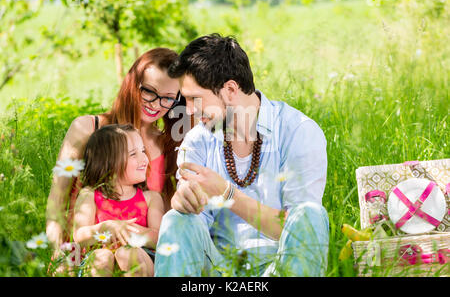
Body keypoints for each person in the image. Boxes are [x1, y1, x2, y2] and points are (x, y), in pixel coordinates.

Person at [154, 34, 330, 277]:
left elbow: (301, 229)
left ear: (230, 89)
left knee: (311, 215)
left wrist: (227, 194)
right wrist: (183, 203)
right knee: (176, 219)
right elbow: (193, 226)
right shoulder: (197, 139)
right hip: (218, 271)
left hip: (281, 268)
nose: (190, 109)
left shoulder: (298, 131)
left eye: (195, 98)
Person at [46, 48, 189, 264]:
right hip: (85, 253)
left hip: (139, 257)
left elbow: (166, 222)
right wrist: (60, 253)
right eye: (149, 91)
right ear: (133, 84)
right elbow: (57, 201)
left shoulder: (168, 145)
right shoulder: (87, 128)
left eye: (168, 98)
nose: (155, 104)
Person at [73, 124, 163, 276]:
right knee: (100, 257)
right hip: (101, 258)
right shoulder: (89, 195)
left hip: (142, 258)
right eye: (133, 154)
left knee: (127, 254)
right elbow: (79, 237)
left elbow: (161, 238)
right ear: (109, 162)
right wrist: (104, 228)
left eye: (143, 151)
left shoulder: (151, 198)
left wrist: (130, 232)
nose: (144, 159)